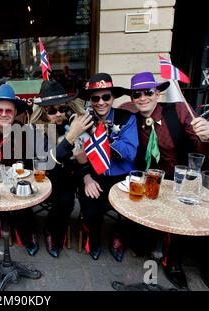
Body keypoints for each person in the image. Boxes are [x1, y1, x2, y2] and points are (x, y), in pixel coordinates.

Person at [130, 71, 209, 290]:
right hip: (158, 181)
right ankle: (172, 261)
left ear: (157, 93)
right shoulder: (131, 118)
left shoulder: (178, 110)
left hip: (190, 175)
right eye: (136, 94)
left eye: (148, 92)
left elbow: (205, 147)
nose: (142, 98)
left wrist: (207, 135)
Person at [78, 73, 138, 262]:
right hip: (95, 175)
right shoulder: (83, 121)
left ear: (113, 98)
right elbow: (78, 156)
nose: (101, 102)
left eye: (106, 97)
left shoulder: (126, 118)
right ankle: (93, 238)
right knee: (90, 210)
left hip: (123, 176)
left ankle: (118, 236)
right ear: (90, 100)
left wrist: (108, 136)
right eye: (95, 98)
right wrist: (86, 178)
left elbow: (130, 152)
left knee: (132, 210)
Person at [30, 79, 93, 257]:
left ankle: (53, 229)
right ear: (43, 111)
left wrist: (83, 164)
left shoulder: (74, 122)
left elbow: (84, 159)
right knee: (60, 196)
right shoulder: (35, 129)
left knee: (66, 201)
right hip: (45, 177)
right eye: (52, 110)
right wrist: (71, 136)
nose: (58, 114)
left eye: (62, 108)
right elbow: (47, 160)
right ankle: (49, 230)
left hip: (69, 176)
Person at [0, 84, 39, 256]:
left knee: (22, 204)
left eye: (8, 110)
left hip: (16, 181)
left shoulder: (23, 132)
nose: (4, 114)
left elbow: (28, 165)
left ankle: (28, 237)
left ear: (14, 112)